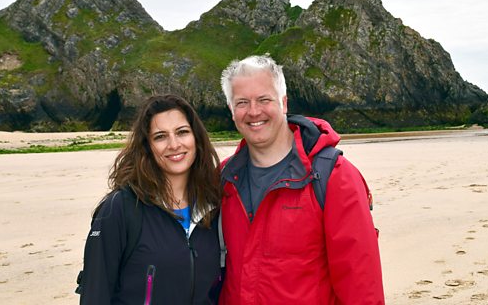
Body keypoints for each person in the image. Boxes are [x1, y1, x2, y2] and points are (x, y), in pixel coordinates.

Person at [218, 55, 385, 304]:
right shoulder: (223, 179)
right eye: (242, 102)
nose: (253, 111)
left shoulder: (335, 176)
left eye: (264, 99)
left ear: (283, 103)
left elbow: (362, 285)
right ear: (232, 111)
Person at [79, 94, 222, 304]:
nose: (174, 144)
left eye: (182, 132)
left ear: (196, 139)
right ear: (147, 146)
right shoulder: (121, 208)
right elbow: (94, 294)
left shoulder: (213, 206)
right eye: (160, 136)